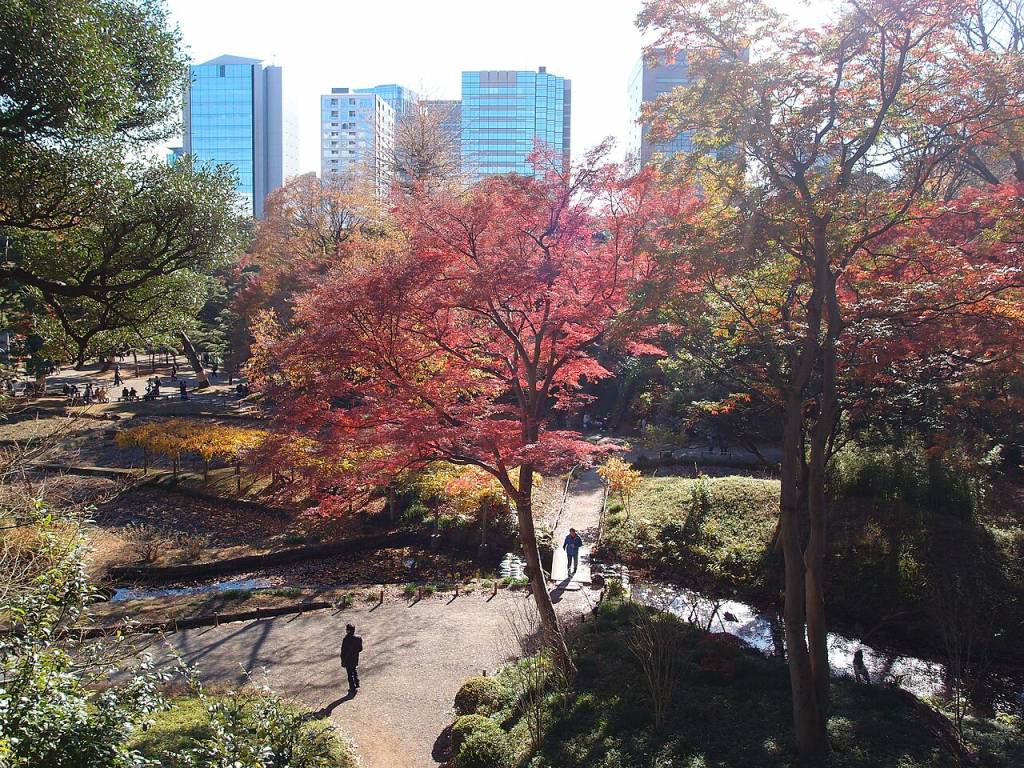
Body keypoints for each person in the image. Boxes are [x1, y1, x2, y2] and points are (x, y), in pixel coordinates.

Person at [340, 624, 363, 692]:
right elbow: (360, 648)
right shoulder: (358, 638)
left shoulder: (346, 639)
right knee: (354, 669)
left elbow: (343, 651)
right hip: (355, 657)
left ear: (348, 630)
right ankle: (356, 682)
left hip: (347, 658)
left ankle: (352, 688)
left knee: (350, 673)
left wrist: (343, 660)